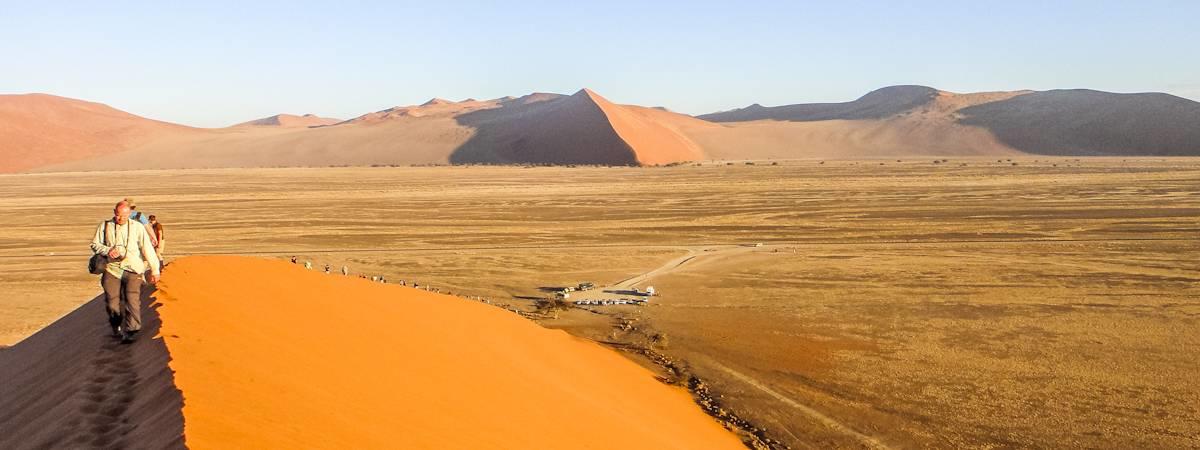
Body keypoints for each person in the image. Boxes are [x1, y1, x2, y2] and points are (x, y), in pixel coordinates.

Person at [90, 201, 161, 344]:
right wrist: (108, 250)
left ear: (129, 214)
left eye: (123, 215)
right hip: (112, 269)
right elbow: (95, 244)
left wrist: (155, 270)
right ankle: (116, 325)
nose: (119, 218)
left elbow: (146, 248)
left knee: (132, 299)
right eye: (117, 215)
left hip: (133, 268)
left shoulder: (138, 228)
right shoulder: (105, 226)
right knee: (112, 302)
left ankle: (132, 330)